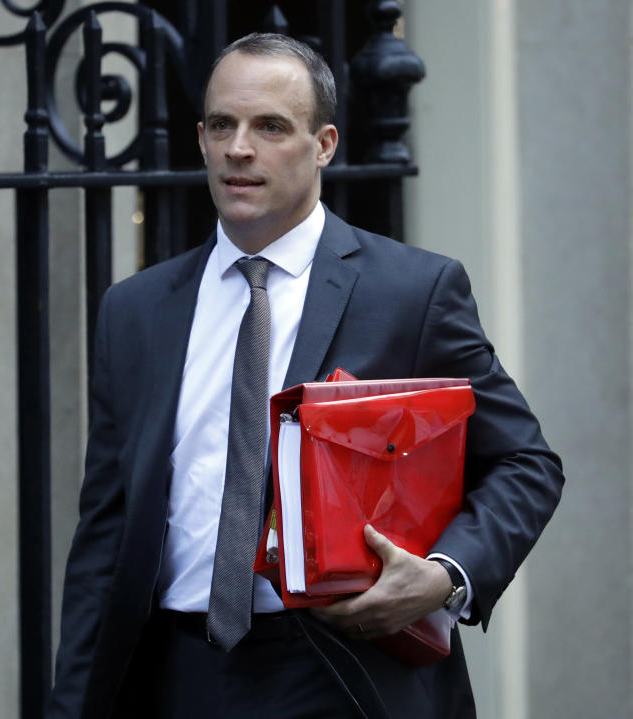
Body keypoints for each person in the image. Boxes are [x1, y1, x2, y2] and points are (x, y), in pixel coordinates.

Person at [47, 32, 563, 719]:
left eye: (270, 127)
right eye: (223, 125)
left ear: (323, 144)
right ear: (200, 139)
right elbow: (104, 538)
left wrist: (443, 575)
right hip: (171, 672)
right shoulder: (135, 310)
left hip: (340, 668)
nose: (239, 148)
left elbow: (526, 462)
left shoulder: (413, 292)